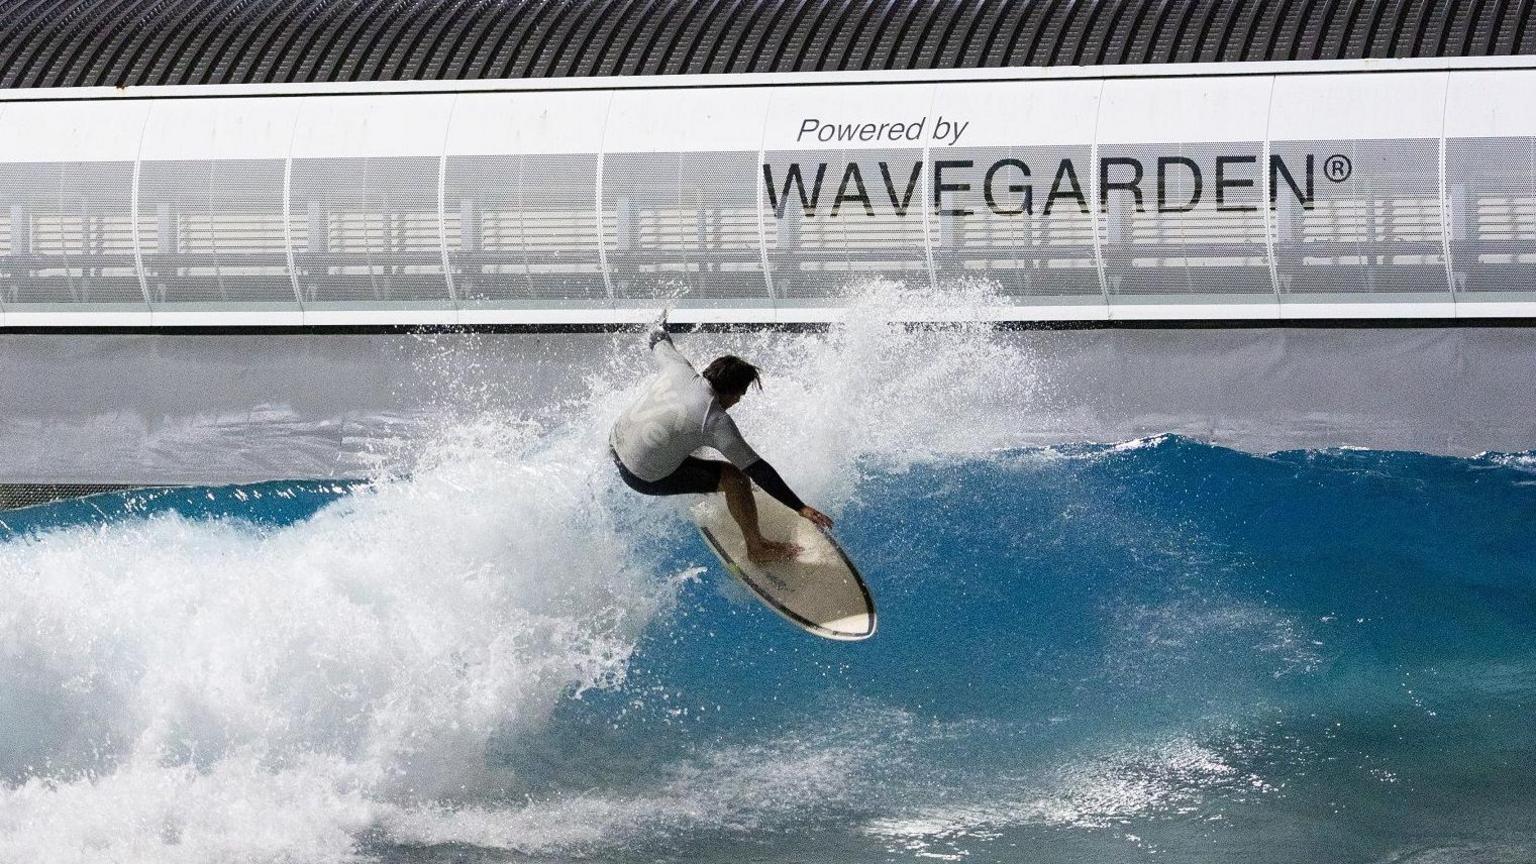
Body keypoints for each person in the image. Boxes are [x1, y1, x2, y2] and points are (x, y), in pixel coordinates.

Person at [610, 311, 833, 563]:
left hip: (616, 445)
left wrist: (662, 323)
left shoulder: (679, 368)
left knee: (685, 436)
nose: (738, 400)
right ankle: (757, 549)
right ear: (731, 391)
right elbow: (757, 468)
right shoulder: (713, 419)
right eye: (740, 394)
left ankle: (715, 490)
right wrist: (800, 507)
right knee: (736, 478)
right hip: (641, 476)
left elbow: (656, 338)